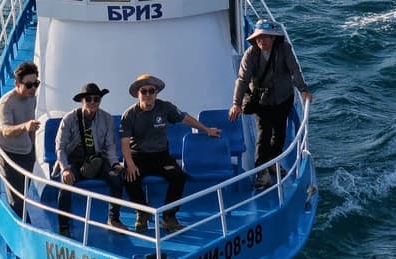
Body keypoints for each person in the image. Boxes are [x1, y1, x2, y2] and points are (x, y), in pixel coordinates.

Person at [121, 73, 218, 233]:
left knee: (179, 177)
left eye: (151, 91)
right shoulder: (129, 115)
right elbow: (124, 142)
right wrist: (130, 164)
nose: (147, 95)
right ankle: (143, 212)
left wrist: (206, 130)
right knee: (129, 178)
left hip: (161, 155)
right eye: (143, 91)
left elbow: (185, 118)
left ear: (156, 93)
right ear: (138, 94)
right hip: (138, 155)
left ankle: (168, 217)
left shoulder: (165, 107)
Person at [231, 20, 312, 189]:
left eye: (266, 37)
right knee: (263, 135)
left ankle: (273, 163)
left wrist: (303, 89)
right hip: (262, 102)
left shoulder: (284, 49)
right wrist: (236, 103)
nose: (263, 41)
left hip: (283, 98)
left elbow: (294, 70)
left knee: (280, 134)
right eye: (259, 38)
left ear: (274, 38)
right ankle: (261, 173)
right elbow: (242, 79)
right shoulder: (251, 54)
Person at [52, 82, 138, 230]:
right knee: (65, 184)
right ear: (82, 101)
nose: (92, 102)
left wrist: (114, 164)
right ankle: (64, 225)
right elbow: (60, 147)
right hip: (74, 161)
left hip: (97, 160)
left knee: (117, 178)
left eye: (96, 99)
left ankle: (113, 219)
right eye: (88, 99)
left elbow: (110, 146)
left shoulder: (107, 119)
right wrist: (65, 168)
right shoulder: (69, 119)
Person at [0, 62, 41, 219]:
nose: (33, 88)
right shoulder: (6, 104)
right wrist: (26, 127)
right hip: (10, 154)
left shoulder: (31, 98)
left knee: (24, 192)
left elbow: (31, 123)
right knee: (16, 199)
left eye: (36, 84)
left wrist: (32, 148)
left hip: (27, 152)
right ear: (17, 84)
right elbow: (6, 131)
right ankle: (23, 231)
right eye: (28, 85)